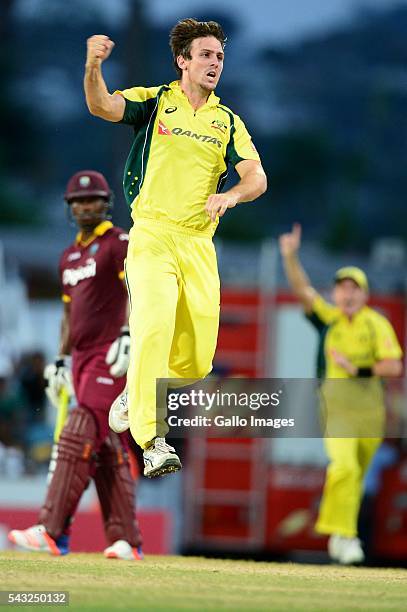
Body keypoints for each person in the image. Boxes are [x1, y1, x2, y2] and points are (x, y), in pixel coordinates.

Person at [83, 19, 267, 477]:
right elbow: (102, 105)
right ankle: (153, 440)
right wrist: (92, 66)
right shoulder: (155, 101)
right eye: (205, 55)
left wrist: (232, 194)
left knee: (197, 360)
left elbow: (256, 176)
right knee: (153, 326)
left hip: (198, 243)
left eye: (220, 57)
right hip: (152, 236)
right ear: (182, 61)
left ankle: (135, 392)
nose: (214, 63)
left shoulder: (227, 121)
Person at [8, 170, 143, 561]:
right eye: (78, 202)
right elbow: (70, 316)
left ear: (106, 203)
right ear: (70, 208)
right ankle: (127, 539)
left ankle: (51, 530)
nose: (86, 206)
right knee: (104, 445)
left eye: (93, 200)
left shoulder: (118, 243)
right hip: (81, 359)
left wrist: (128, 334)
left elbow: (138, 288)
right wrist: (61, 358)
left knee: (81, 427)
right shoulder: (68, 256)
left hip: (110, 355)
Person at [279, 223, 403, 565]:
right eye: (342, 289)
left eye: (354, 289)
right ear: (335, 294)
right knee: (344, 468)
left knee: (354, 477)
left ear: (364, 295)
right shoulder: (328, 319)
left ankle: (337, 531)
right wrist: (290, 256)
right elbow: (303, 290)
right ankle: (346, 536)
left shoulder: (376, 324)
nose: (347, 295)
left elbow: (393, 366)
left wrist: (358, 369)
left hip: (371, 411)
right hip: (337, 407)